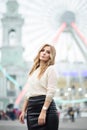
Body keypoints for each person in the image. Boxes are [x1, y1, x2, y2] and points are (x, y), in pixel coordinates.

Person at [19, 43, 59, 130]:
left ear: (51, 56)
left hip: (46, 109)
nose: (44, 53)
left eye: (48, 52)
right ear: (39, 52)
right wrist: (23, 111)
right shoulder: (33, 72)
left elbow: (51, 92)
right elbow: (28, 93)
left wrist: (43, 111)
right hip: (32, 109)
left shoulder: (50, 69)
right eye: (42, 50)